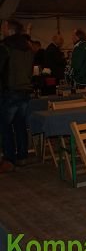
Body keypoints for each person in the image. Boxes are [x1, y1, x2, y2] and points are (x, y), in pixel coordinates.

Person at [0, 20, 34, 172]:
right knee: (20, 125)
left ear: (9, 30)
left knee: (5, 127)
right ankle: (22, 156)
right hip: (25, 91)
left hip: (10, 91)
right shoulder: (28, 48)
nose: (2, 30)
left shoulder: (5, 47)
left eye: (3, 27)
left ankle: (9, 159)